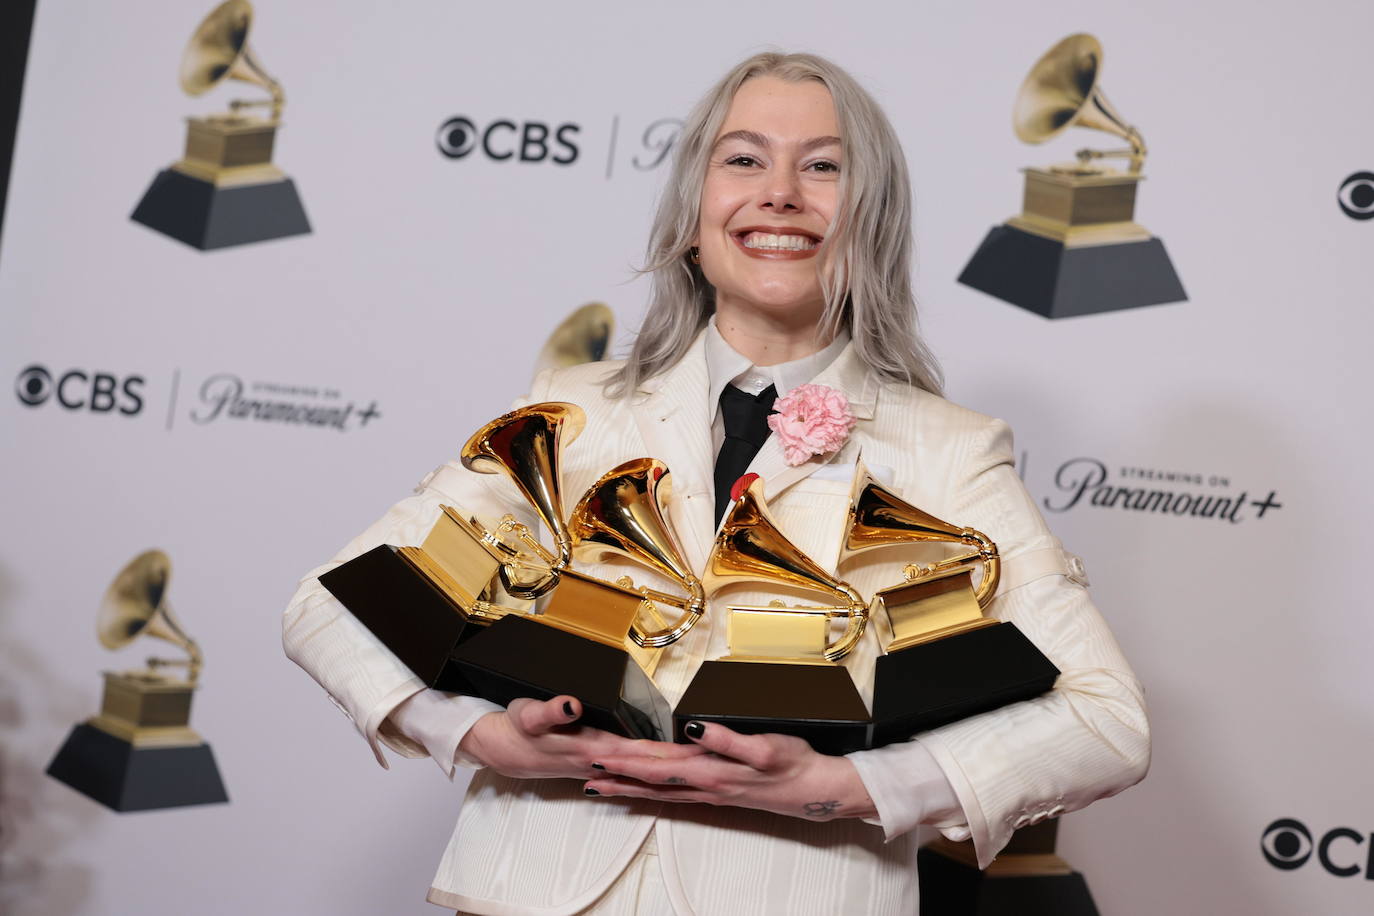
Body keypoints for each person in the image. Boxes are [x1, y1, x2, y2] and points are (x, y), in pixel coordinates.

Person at [283, 52, 1149, 915]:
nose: (779, 192)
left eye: (823, 166)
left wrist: (846, 786)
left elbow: (1107, 722)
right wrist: (473, 734)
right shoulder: (569, 408)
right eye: (743, 159)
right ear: (693, 216)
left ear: (871, 218)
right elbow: (327, 605)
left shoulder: (951, 449)